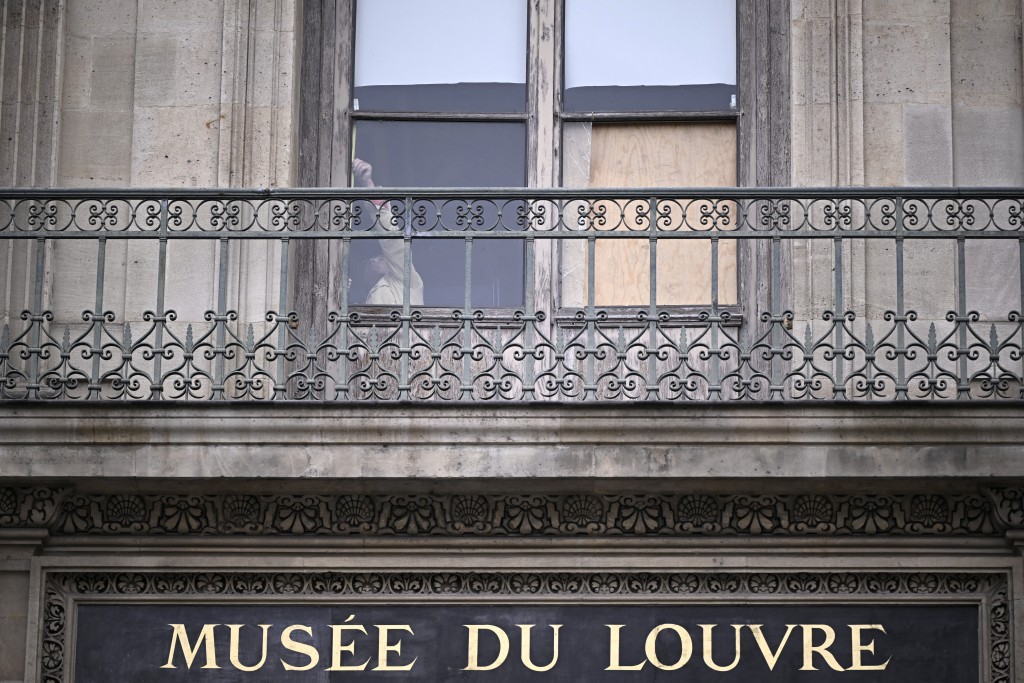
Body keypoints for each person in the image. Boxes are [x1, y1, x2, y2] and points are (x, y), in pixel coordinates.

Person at [353, 158, 424, 306]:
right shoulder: (362, 301)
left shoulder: (404, 279)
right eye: (368, 261)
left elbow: (393, 244)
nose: (373, 261)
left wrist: (367, 184)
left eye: (381, 258)